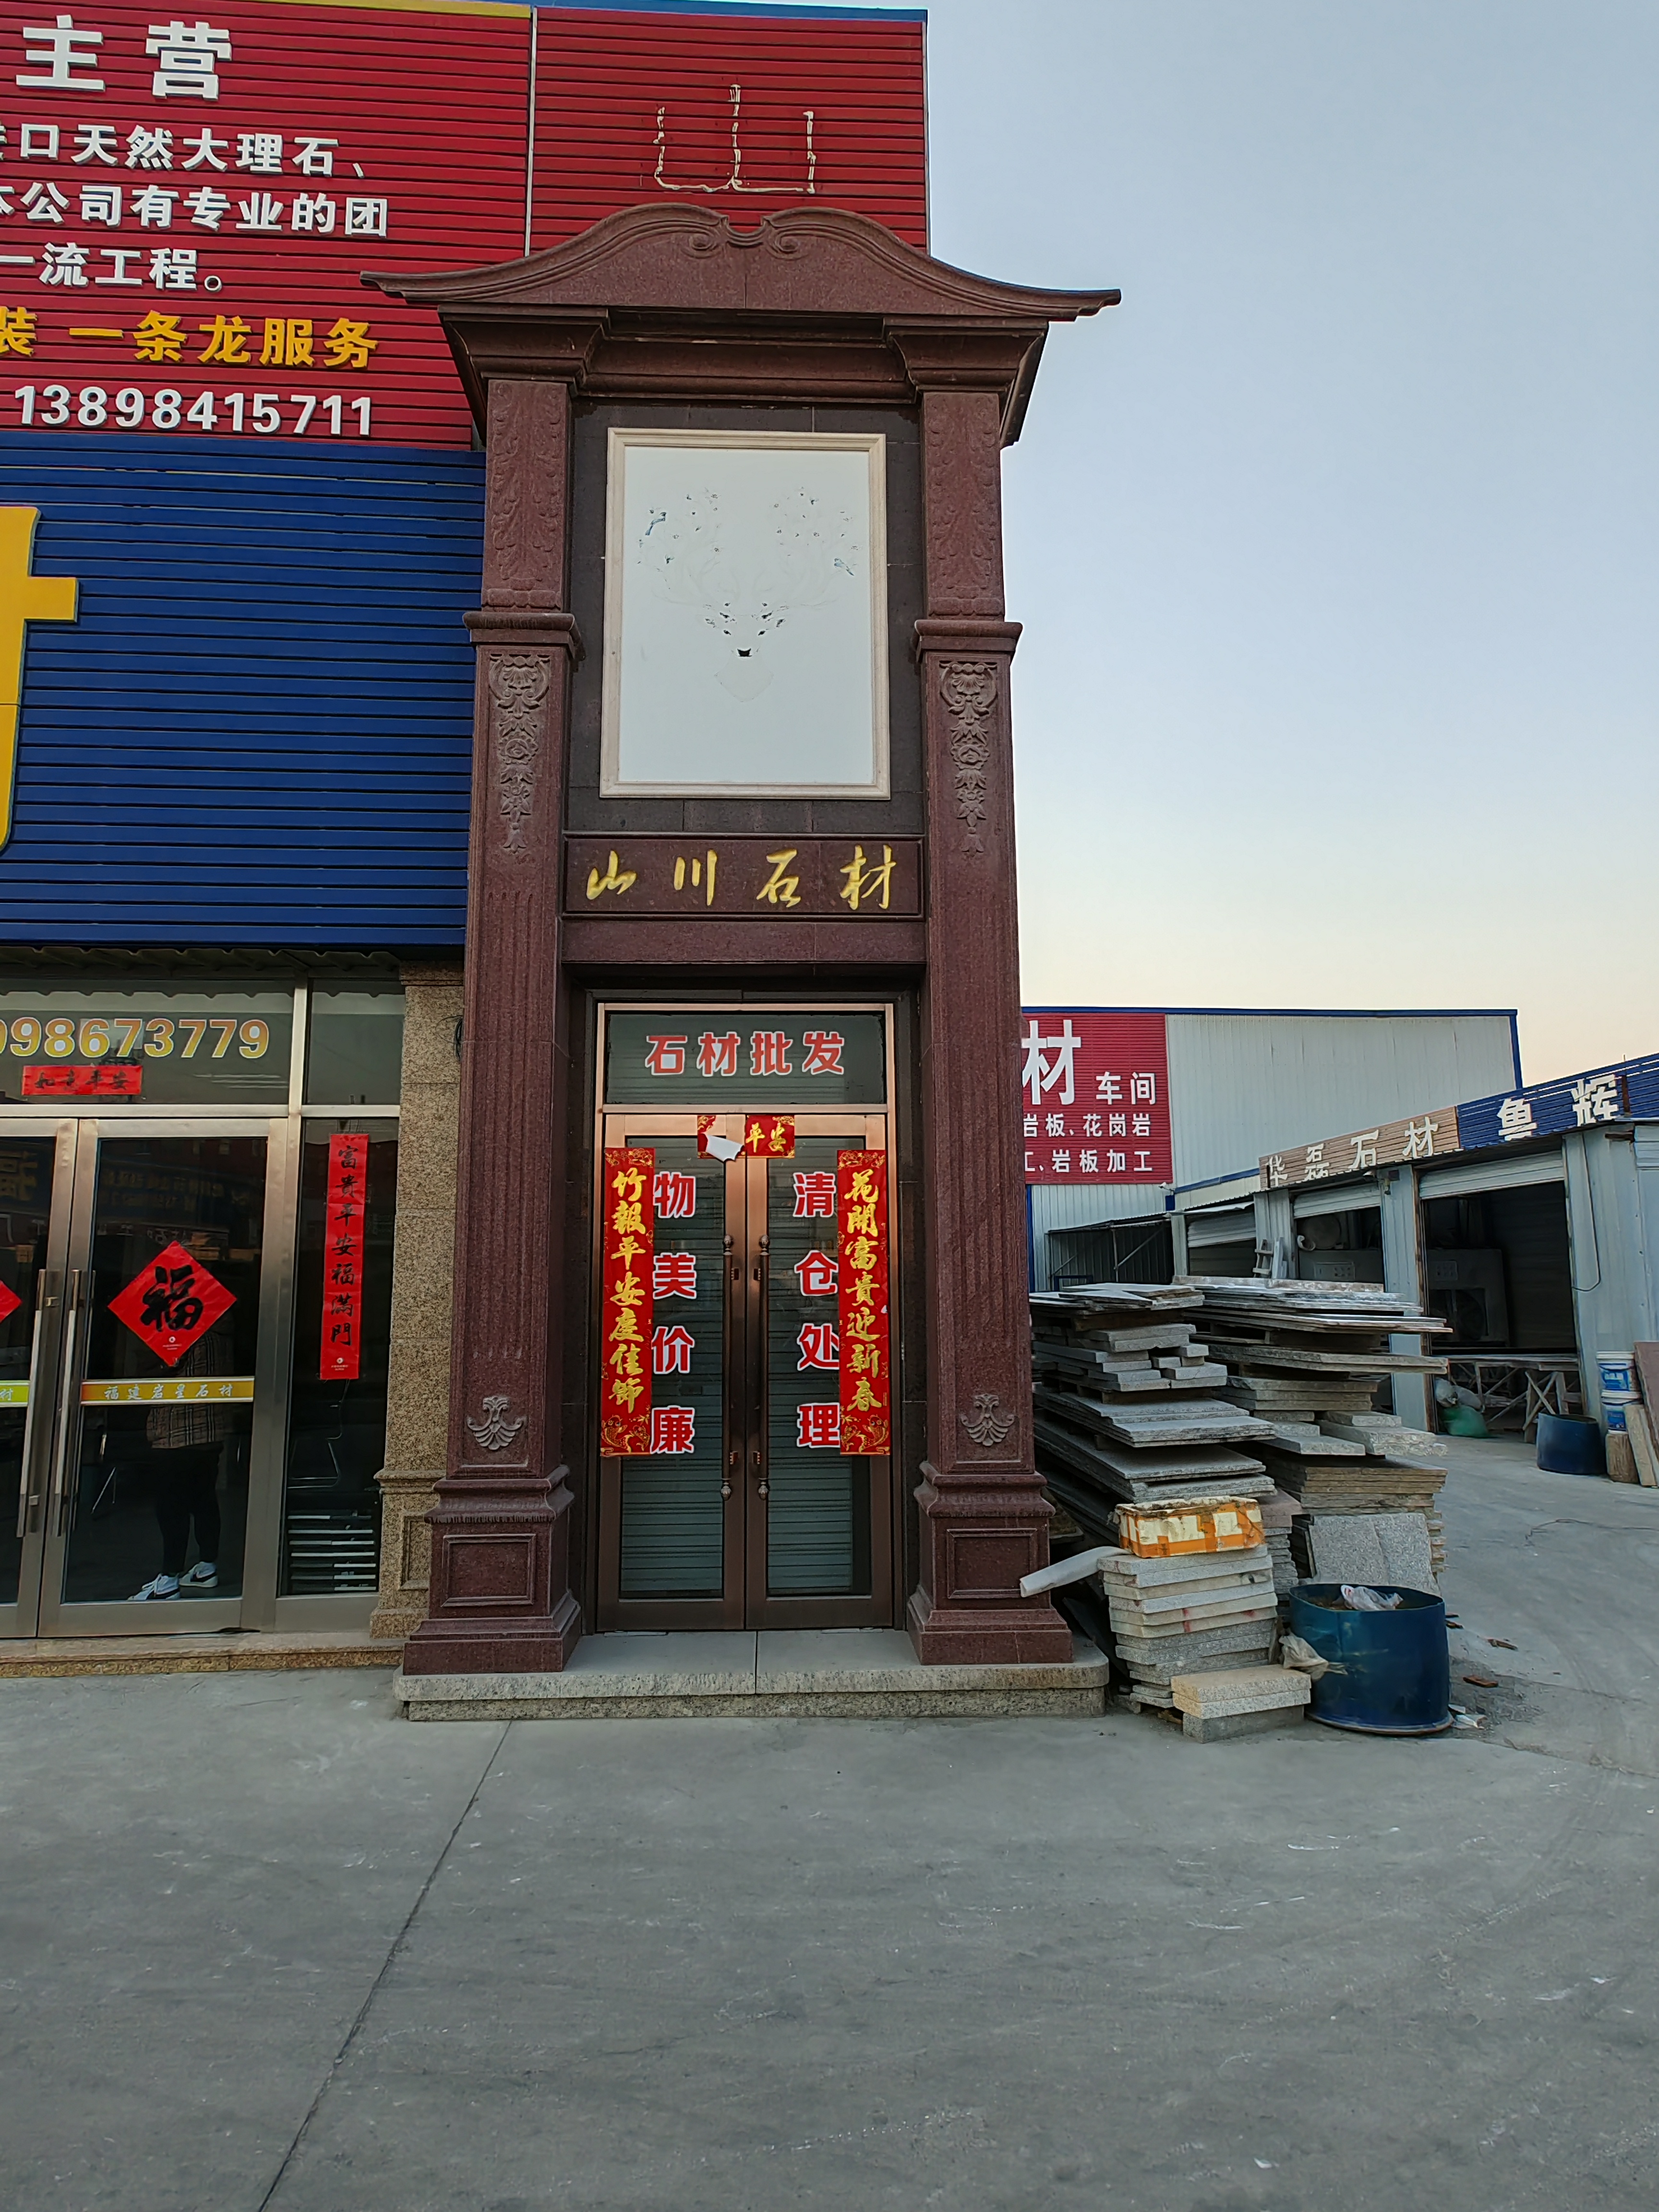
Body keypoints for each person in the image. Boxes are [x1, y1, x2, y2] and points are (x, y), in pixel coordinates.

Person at [130, 1326, 234, 1601]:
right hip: (211, 1431)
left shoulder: (180, 1336)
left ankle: (169, 1579)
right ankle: (207, 1567)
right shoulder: (221, 1337)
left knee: (171, 1507)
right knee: (204, 1500)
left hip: (176, 1433)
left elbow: (155, 1373)